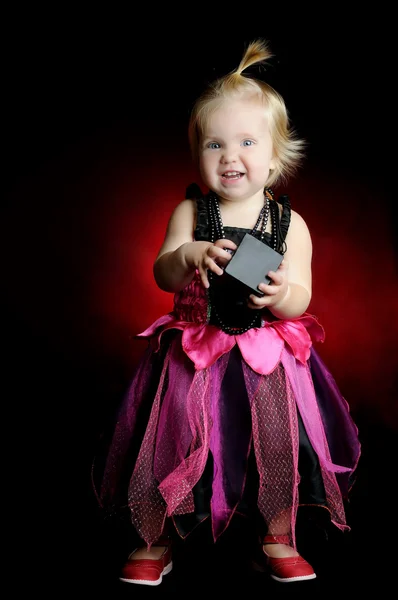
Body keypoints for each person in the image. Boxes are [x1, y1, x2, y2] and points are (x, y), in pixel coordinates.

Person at [95, 39, 360, 585]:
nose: (229, 157)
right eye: (214, 144)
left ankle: (278, 531)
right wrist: (188, 255)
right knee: (176, 444)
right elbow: (162, 272)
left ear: (275, 154)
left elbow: (302, 297)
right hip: (196, 353)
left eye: (245, 142)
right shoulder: (192, 210)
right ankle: (158, 534)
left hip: (265, 358)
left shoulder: (291, 225)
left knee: (277, 447)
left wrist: (281, 293)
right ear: (197, 154)